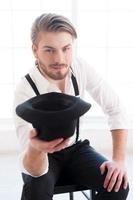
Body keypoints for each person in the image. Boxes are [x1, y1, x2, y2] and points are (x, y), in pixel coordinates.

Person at [13, 13, 129, 200]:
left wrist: (119, 160)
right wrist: (37, 148)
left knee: (118, 185)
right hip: (41, 155)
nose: (60, 59)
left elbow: (115, 108)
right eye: (49, 50)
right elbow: (28, 156)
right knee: (36, 194)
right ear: (35, 50)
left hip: (76, 150)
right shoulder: (24, 89)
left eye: (66, 49)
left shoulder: (80, 67)